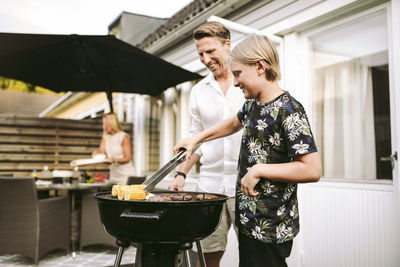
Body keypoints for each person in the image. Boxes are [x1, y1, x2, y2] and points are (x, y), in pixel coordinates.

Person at [173, 34, 322, 267]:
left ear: (260, 66)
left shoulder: (289, 110)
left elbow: (312, 169)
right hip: (249, 222)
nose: (235, 82)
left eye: (239, 74)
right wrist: (197, 139)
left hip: (270, 226)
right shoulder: (253, 104)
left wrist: (259, 170)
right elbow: (233, 123)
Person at [168, 21, 245, 267]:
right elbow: (195, 138)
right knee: (206, 257)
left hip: (245, 185)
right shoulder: (199, 91)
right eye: (200, 53)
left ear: (227, 45)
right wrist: (181, 173)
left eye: (210, 51)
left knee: (254, 255)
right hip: (209, 187)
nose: (205, 59)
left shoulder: (246, 83)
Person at [93, 113, 135, 185]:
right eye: (103, 124)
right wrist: (96, 154)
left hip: (125, 176)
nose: (104, 126)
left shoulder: (123, 136)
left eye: (106, 124)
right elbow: (101, 152)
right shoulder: (105, 137)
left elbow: (127, 158)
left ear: (113, 123)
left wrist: (114, 160)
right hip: (114, 176)